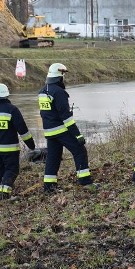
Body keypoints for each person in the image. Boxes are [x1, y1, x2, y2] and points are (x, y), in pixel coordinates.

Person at [38, 63, 96, 193]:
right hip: (61, 130)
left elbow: (45, 113)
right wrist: (77, 135)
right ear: (60, 77)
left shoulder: (42, 91)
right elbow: (66, 117)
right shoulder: (59, 92)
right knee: (80, 151)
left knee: (53, 158)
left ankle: (49, 187)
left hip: (49, 132)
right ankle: (85, 182)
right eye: (63, 75)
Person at [0, 83, 36, 202]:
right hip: (10, 149)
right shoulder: (12, 110)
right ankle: (5, 193)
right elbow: (23, 130)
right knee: (12, 170)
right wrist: (31, 145)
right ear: (7, 95)